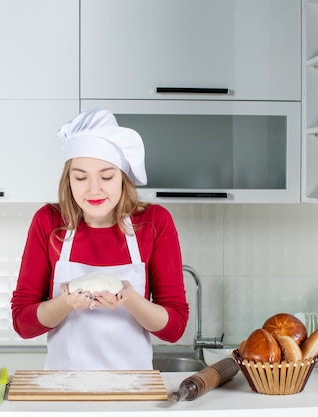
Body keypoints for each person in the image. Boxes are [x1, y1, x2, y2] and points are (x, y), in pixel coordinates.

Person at [11, 109, 189, 370]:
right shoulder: (49, 221)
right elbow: (22, 324)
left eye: (106, 176)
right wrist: (66, 303)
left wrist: (130, 300)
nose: (94, 189)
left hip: (133, 391)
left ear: (123, 178)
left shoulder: (153, 223)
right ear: (68, 179)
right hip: (64, 390)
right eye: (81, 177)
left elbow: (174, 329)